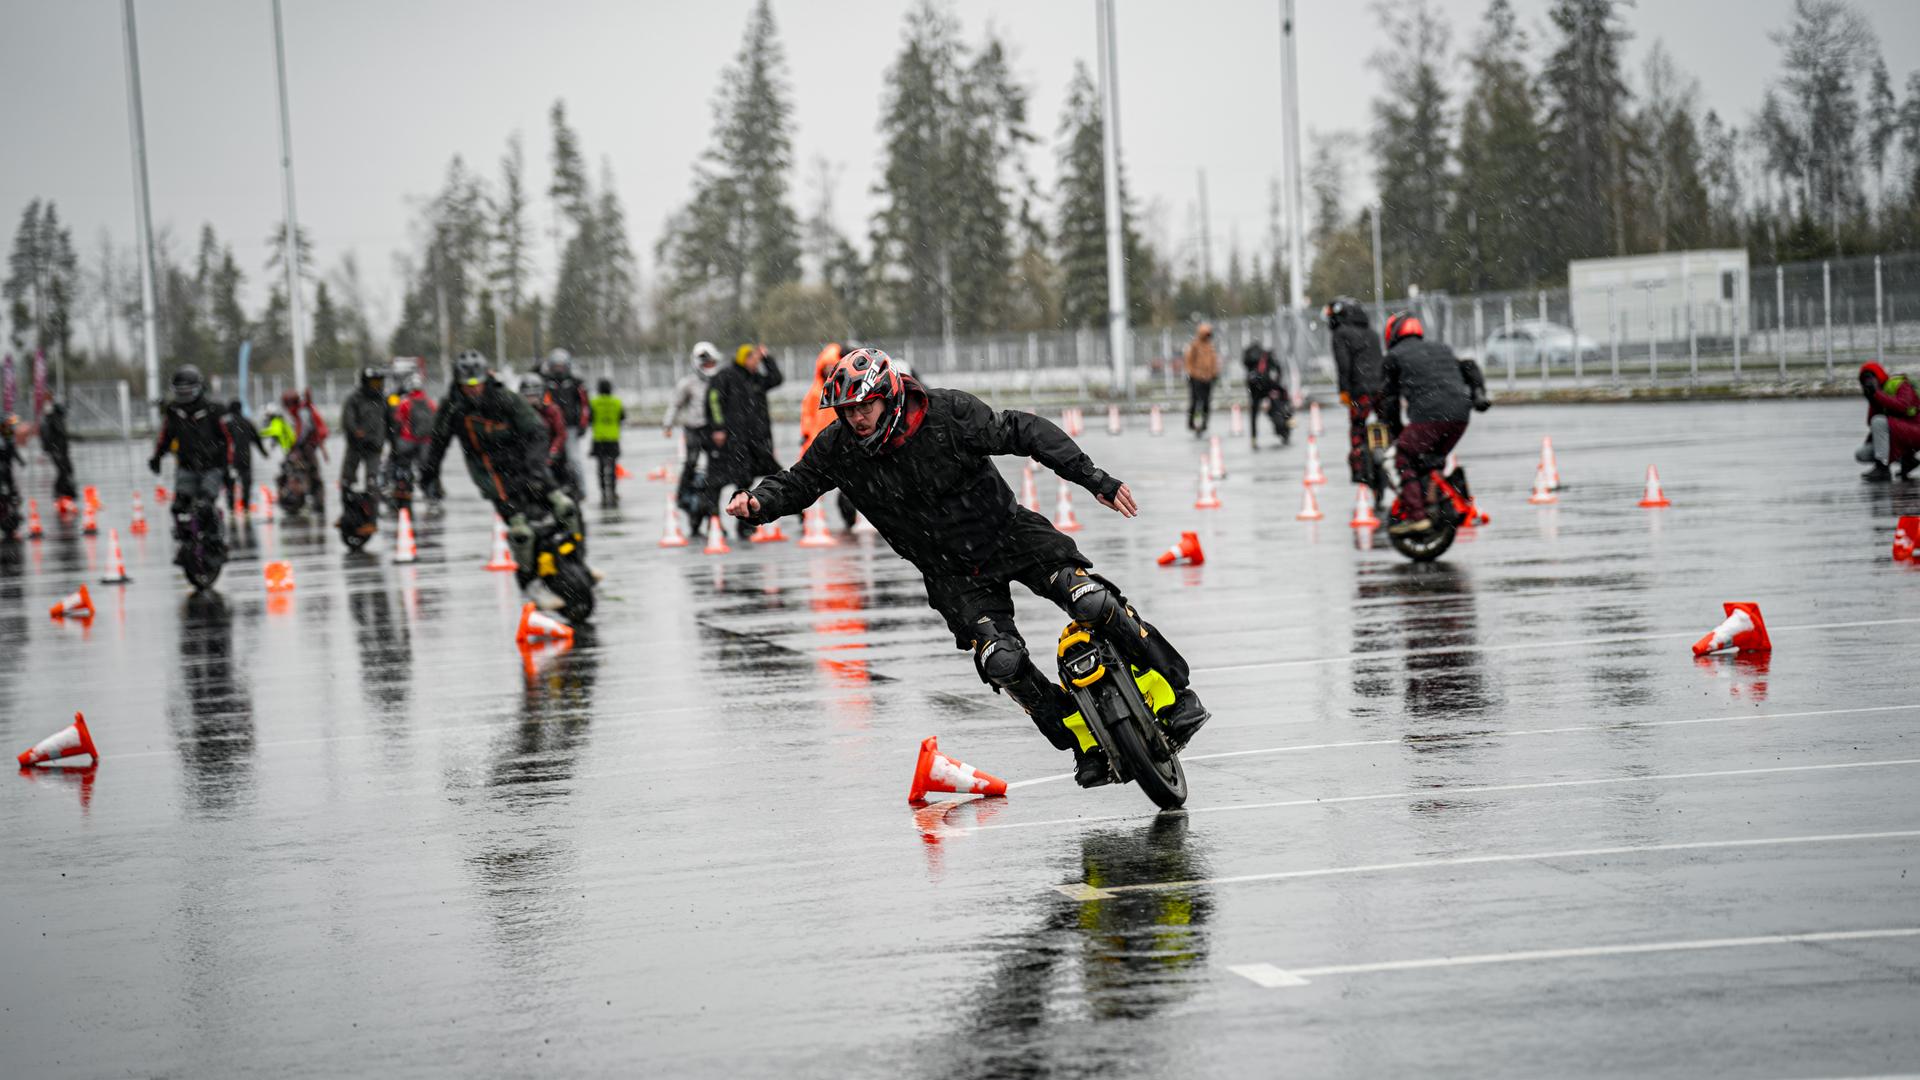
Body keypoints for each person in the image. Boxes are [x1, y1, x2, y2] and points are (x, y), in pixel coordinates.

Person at [726, 347, 1209, 787]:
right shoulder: (839, 446)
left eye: (863, 406)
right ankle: (1080, 739)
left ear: (888, 394)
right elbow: (798, 482)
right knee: (1002, 661)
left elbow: (1025, 431)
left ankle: (1177, 692)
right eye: (847, 411)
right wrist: (756, 502)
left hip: (1010, 535)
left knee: (1092, 600)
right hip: (952, 574)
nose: (856, 419)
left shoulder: (947, 414)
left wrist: (1093, 479)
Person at [418, 351, 585, 610]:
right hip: (492, 475)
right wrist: (430, 476)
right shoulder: (452, 407)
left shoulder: (504, 397)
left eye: (479, 383)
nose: (474, 390)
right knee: (522, 531)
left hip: (528, 465)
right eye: (468, 385)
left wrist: (536, 466)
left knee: (566, 509)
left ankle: (578, 563)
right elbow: (438, 443)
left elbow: (537, 430)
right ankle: (531, 584)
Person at [1379, 313, 1490, 535]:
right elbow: (1469, 366)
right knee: (1430, 460)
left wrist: (1396, 431)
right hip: (1460, 416)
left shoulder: (1393, 357)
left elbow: (1388, 402)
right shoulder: (1441, 348)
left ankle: (1417, 516)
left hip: (1430, 416)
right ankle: (1444, 504)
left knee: (1403, 457)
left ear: (1392, 333)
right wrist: (1478, 393)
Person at [149, 366, 232, 560]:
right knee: (178, 506)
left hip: (212, 467)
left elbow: (229, 439)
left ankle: (215, 541)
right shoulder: (174, 412)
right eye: (180, 392)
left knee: (204, 504)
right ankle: (185, 539)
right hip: (186, 466)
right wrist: (157, 457)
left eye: (188, 391)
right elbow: (166, 436)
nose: (184, 395)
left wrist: (228, 467)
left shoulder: (215, 410)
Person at [704, 343, 784, 537]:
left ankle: (747, 523)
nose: (756, 365)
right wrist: (718, 427)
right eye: (754, 360)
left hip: (754, 440)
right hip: (732, 440)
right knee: (720, 481)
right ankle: (714, 520)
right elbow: (713, 400)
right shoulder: (726, 376)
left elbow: (776, 378)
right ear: (744, 358)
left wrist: (767, 358)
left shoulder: (756, 378)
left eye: (758, 361)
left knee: (757, 477)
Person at [1328, 297, 1394, 483]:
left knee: (1357, 427)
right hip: (1381, 388)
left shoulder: (1340, 334)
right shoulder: (1372, 333)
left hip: (1360, 390)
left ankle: (1358, 468)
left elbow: (1344, 365)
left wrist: (1344, 390)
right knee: (1385, 424)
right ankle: (1389, 457)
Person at [664, 342, 722, 527]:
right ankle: (682, 494)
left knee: (716, 467)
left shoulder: (719, 381)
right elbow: (676, 404)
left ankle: (712, 508)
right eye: (706, 364)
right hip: (693, 429)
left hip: (712, 429)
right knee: (691, 461)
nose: (710, 367)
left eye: (712, 363)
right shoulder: (688, 383)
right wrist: (668, 424)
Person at [1855, 360, 1919, 481]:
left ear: (1878, 375)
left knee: (1879, 422)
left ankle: (1882, 468)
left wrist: (1878, 395)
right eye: (1864, 380)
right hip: (1901, 433)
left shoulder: (1898, 383)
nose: (1868, 382)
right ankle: (1908, 460)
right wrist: (1872, 399)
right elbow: (1871, 422)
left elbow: (1903, 406)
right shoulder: (1878, 393)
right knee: (1862, 454)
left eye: (1870, 377)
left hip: (1915, 429)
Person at [542, 349, 592, 499]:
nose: (558, 369)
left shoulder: (576, 383)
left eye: (561, 366)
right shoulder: (545, 383)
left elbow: (584, 405)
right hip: (551, 429)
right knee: (550, 458)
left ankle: (581, 490)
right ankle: (552, 491)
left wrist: (583, 424)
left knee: (574, 459)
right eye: (555, 366)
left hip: (570, 427)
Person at [339, 366, 388, 493]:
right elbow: (348, 419)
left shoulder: (383, 400)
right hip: (356, 444)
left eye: (379, 383)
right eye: (374, 383)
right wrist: (355, 431)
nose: (377, 386)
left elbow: (391, 420)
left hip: (374, 445)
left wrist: (392, 438)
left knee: (373, 479)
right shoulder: (354, 399)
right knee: (347, 478)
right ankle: (348, 505)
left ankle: (372, 506)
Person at [519, 371, 572, 490]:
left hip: (552, 456)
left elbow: (561, 434)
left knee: (569, 468)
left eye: (534, 396)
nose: (531, 400)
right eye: (527, 396)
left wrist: (552, 452)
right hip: (529, 458)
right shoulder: (518, 414)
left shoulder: (552, 410)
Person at [392, 374, 439, 499]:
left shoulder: (405, 402)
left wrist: (395, 437)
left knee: (403, 466)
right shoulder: (429, 402)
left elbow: (397, 420)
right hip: (426, 441)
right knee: (426, 468)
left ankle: (404, 490)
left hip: (407, 439)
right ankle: (430, 493)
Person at [1241, 341, 1291, 449]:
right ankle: (1284, 429)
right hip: (1267, 386)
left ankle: (1254, 438)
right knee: (1278, 408)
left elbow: (1247, 372)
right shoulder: (1265, 356)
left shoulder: (1249, 359)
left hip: (1254, 389)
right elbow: (1278, 368)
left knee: (1254, 414)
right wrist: (1276, 381)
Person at [224, 401, 270, 516]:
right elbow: (257, 439)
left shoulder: (228, 424)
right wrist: (264, 452)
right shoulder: (247, 423)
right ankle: (245, 506)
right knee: (246, 482)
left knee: (230, 483)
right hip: (245, 457)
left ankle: (231, 507)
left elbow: (221, 442)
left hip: (232, 459)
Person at [589, 377, 625, 505]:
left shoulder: (594, 402)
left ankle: (603, 492)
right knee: (613, 466)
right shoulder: (616, 402)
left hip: (599, 438)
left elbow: (590, 418)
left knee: (600, 468)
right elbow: (622, 417)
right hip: (613, 438)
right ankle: (613, 491)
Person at [1183, 323, 1220, 436]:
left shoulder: (1210, 347)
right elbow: (1189, 361)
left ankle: (1204, 423)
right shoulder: (1195, 346)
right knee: (1195, 401)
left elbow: (1213, 361)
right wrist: (1191, 373)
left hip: (1208, 378)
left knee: (1206, 402)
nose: (1207, 337)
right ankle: (1192, 422)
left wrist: (1214, 373)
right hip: (1196, 378)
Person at [39, 401, 77, 502]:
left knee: (68, 469)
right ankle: (58, 491)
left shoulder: (58, 420)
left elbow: (63, 435)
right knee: (63, 471)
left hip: (62, 450)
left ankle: (66, 490)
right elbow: (49, 437)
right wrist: (54, 450)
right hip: (57, 450)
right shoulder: (52, 420)